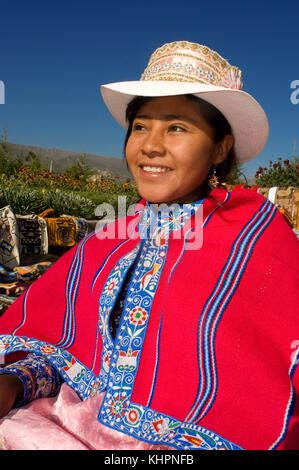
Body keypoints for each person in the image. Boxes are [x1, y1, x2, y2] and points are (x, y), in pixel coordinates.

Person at [0, 40, 298, 451]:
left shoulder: (255, 243)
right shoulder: (107, 240)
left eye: (176, 127)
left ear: (220, 147)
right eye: (140, 125)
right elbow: (65, 350)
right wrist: (14, 382)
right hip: (54, 427)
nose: (150, 145)